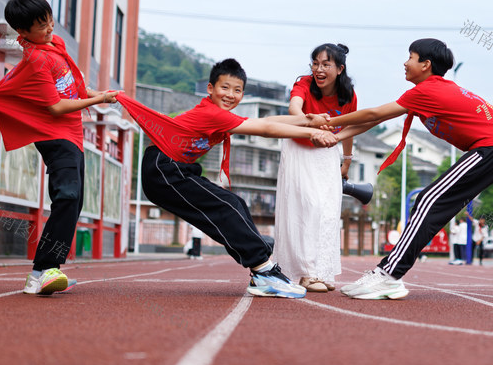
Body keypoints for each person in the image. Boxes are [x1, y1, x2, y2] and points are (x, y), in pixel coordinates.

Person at [306, 38, 493, 299]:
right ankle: (389, 274)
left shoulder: (429, 90)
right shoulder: (431, 90)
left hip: (491, 149)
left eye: (410, 57)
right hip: (492, 152)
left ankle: (388, 275)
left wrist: (330, 122)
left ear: (426, 64)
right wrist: (337, 137)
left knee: (428, 199)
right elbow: (375, 121)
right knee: (430, 202)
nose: (405, 63)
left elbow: (373, 113)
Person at [116, 58, 338, 299]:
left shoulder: (220, 114)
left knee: (235, 204)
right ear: (210, 89)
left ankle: (260, 262)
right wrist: (311, 132)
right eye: (225, 88)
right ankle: (263, 270)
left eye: (238, 90)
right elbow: (265, 129)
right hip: (163, 168)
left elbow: (266, 121)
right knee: (227, 206)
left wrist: (308, 119)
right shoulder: (212, 113)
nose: (231, 95)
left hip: (176, 168)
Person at [0, 0, 119, 296]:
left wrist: (96, 94)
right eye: (41, 25)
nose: (50, 28)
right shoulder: (36, 60)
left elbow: (73, 87)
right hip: (54, 135)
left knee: (75, 202)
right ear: (22, 33)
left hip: (73, 135)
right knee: (67, 196)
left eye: (49, 19)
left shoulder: (55, 45)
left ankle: (44, 271)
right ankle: (43, 270)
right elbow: (57, 107)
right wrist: (99, 99)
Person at [273, 43, 357, 292]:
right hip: (299, 149)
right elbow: (294, 108)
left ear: (339, 69)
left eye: (326, 65)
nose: (319, 69)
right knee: (309, 206)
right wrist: (309, 122)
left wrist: (347, 158)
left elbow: (351, 125)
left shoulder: (348, 94)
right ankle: (306, 273)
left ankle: (322, 270)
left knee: (329, 212)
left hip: (328, 152)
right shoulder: (304, 84)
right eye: (315, 63)